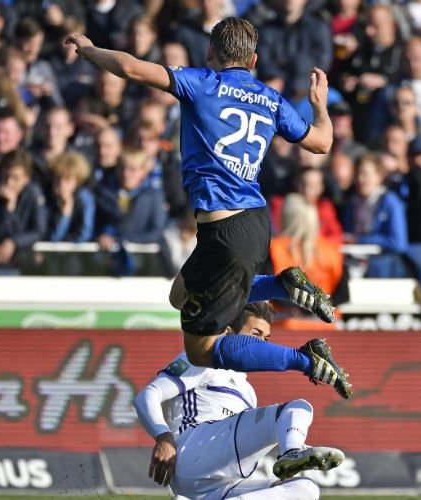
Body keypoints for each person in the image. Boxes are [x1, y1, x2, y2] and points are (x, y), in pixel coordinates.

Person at [65, 18, 347, 395]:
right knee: (178, 295)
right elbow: (322, 142)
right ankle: (282, 287)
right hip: (250, 222)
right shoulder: (269, 98)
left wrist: (89, 50)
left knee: (201, 350)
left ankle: (305, 357)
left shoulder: (200, 83)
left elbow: (131, 67)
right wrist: (319, 107)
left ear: (211, 52)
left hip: (225, 230)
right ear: (253, 60)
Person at [135, 301, 345, 500]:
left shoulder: (247, 390)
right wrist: (164, 438)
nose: (262, 344)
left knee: (305, 489)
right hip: (191, 453)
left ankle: (293, 452)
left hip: (217, 484)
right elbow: (148, 394)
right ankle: (292, 452)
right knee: (297, 408)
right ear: (228, 332)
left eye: (266, 339)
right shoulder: (203, 359)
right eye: (255, 335)